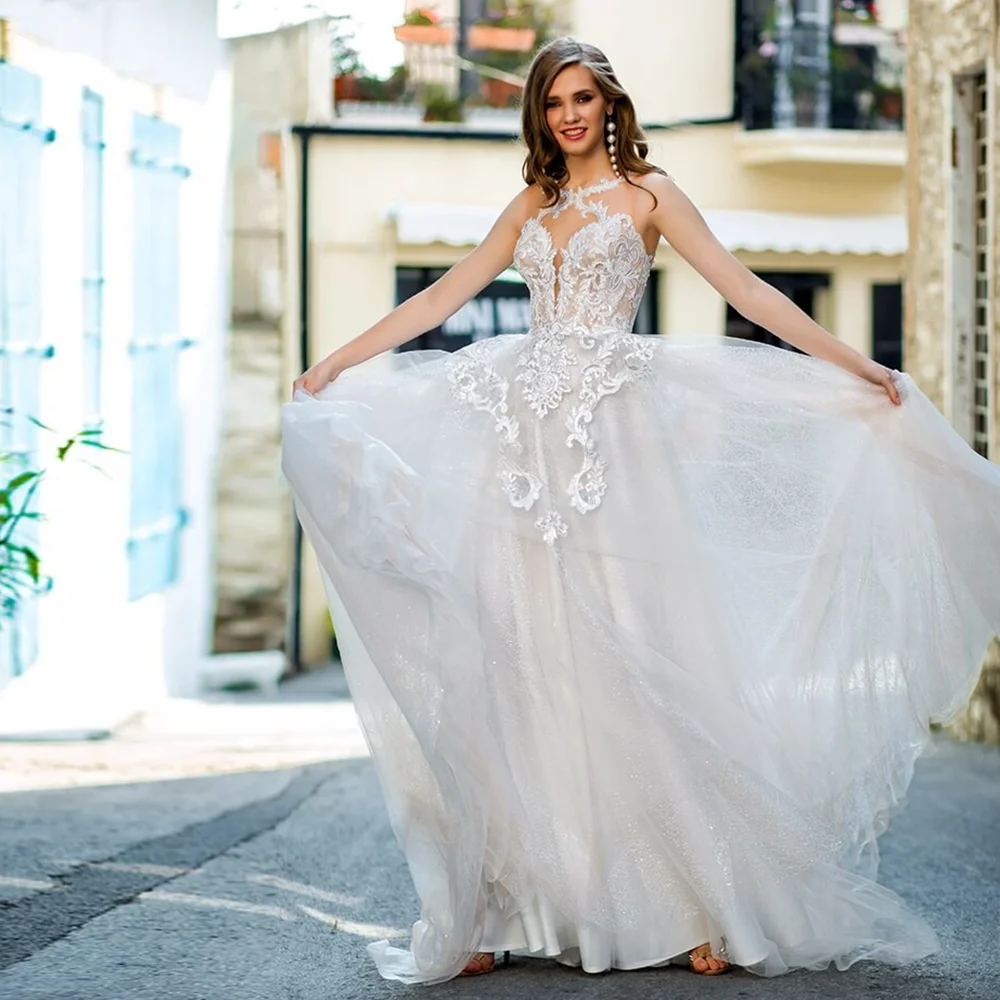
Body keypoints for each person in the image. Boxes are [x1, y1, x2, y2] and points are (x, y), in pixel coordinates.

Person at [281, 37, 1000, 984]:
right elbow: (445, 295)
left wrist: (858, 367)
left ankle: (704, 900)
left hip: (612, 450)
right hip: (520, 450)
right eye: (553, 103)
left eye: (583, 98)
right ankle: (502, 904)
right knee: (517, 666)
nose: (569, 115)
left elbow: (744, 290)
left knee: (637, 658)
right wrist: (335, 363)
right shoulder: (531, 205)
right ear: (539, 115)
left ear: (608, 104)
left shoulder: (652, 195)